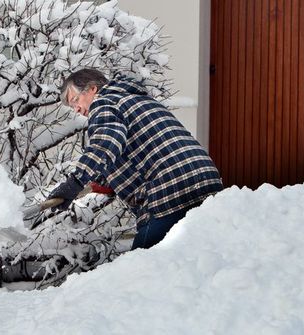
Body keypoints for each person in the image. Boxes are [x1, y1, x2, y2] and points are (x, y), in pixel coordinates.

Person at [48, 68, 223, 249]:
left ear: (92, 88)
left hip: (168, 191)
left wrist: (75, 181)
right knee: (191, 262)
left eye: (75, 100)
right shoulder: (136, 99)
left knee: (140, 269)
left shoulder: (103, 103)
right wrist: (100, 181)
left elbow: (105, 143)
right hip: (206, 182)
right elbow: (135, 152)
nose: (76, 109)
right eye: (72, 106)